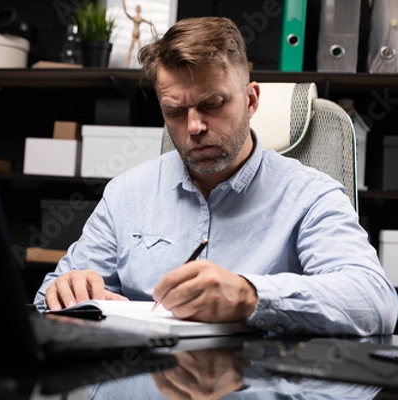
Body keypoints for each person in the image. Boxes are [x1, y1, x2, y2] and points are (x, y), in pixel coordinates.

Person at [33, 16, 398, 336]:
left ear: (252, 100)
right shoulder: (126, 194)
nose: (194, 126)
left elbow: (374, 302)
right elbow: (48, 295)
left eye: (212, 105)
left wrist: (248, 296)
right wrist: (68, 288)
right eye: (175, 111)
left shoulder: (310, 195)